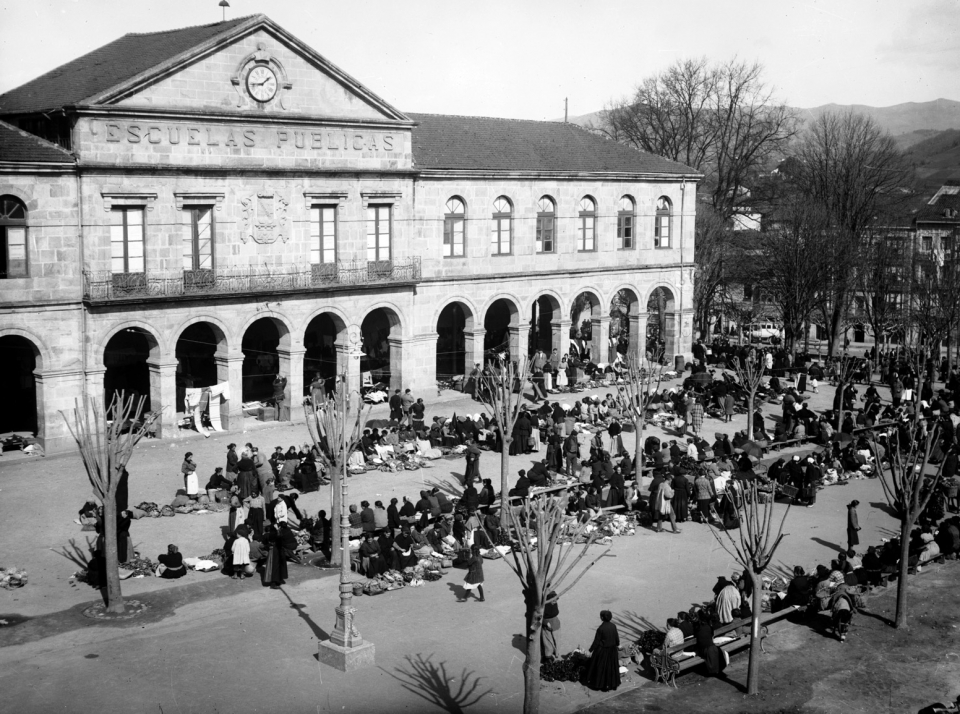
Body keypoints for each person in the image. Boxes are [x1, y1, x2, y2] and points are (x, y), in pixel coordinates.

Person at [586, 610, 620, 692]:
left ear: (602, 618)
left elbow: (596, 641)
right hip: (612, 650)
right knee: (611, 668)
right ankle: (612, 684)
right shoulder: (613, 626)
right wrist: (617, 645)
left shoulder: (600, 629)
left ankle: (600, 685)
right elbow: (617, 638)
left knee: (601, 668)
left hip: (603, 651)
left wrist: (590, 650)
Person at [542, 591, 561, 660]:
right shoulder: (546, 604)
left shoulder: (550, 602)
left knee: (553, 640)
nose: (555, 601)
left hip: (553, 623)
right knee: (549, 640)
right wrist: (545, 622)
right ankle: (550, 655)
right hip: (549, 623)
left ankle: (553, 653)